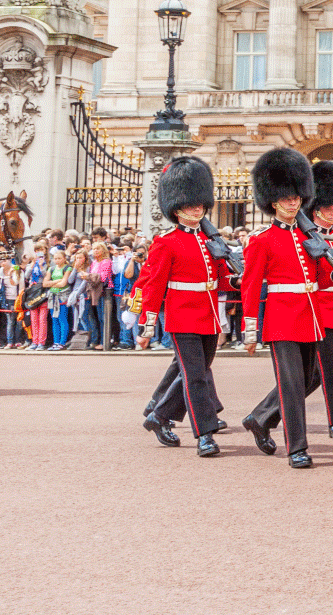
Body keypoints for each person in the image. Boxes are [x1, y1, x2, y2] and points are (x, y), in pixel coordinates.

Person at [132, 155, 231, 457]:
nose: (197, 208)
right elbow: (154, 286)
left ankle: (160, 416)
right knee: (196, 376)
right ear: (176, 208)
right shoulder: (166, 242)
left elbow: (222, 278)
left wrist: (237, 280)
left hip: (210, 316)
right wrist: (147, 325)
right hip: (182, 316)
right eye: (190, 204)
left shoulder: (210, 239)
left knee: (196, 371)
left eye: (199, 203)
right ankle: (205, 434)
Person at [236, 147, 325, 469]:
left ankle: (261, 417)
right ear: (273, 202)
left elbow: (323, 276)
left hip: (310, 316)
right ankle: (297, 448)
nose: (293, 202)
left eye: (296, 197)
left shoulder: (309, 236)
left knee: (311, 379)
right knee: (291, 385)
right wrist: (249, 329)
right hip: (282, 318)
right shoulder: (261, 240)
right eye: (286, 198)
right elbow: (250, 285)